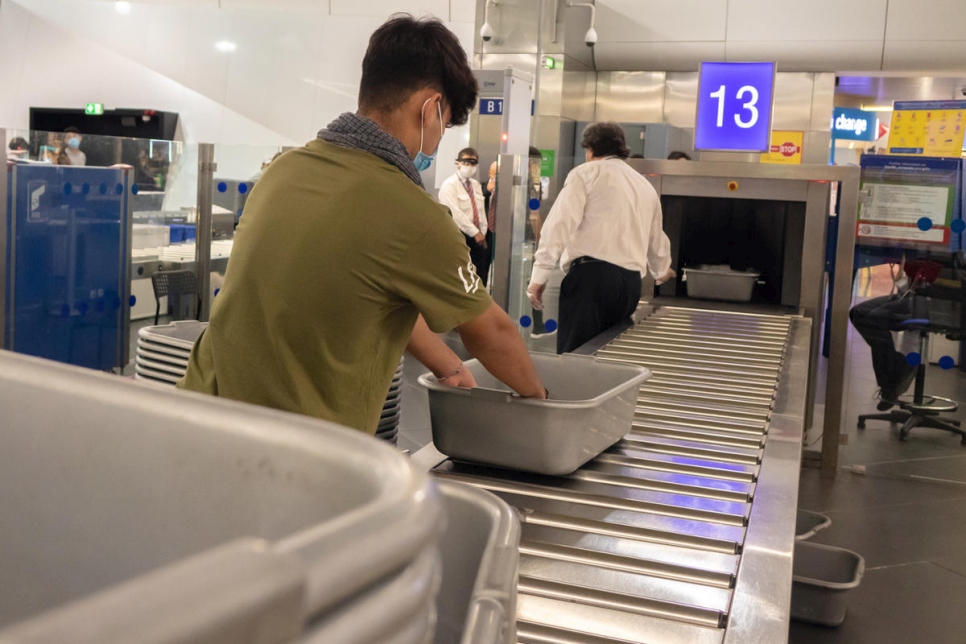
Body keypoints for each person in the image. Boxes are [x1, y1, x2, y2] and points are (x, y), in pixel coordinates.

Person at [179, 15, 546, 434]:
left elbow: (368, 293)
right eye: (445, 124)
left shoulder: (283, 170)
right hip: (296, 453)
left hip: (199, 420)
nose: (440, 138)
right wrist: (542, 405)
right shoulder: (414, 214)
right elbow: (493, 333)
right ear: (431, 108)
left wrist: (447, 364)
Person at [527, 121, 675, 354]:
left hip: (591, 279)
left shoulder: (585, 174)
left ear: (590, 149)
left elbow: (559, 225)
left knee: (575, 356)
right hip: (630, 284)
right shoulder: (644, 185)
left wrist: (540, 275)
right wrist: (662, 270)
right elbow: (656, 236)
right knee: (609, 353)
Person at [438, 147, 490, 286]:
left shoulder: (476, 185)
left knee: (479, 278)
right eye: (467, 163)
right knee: (462, 279)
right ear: (458, 164)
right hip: (460, 237)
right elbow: (455, 215)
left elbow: (481, 212)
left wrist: (482, 233)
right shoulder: (449, 186)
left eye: (474, 163)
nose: (470, 167)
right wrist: (475, 233)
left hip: (479, 240)